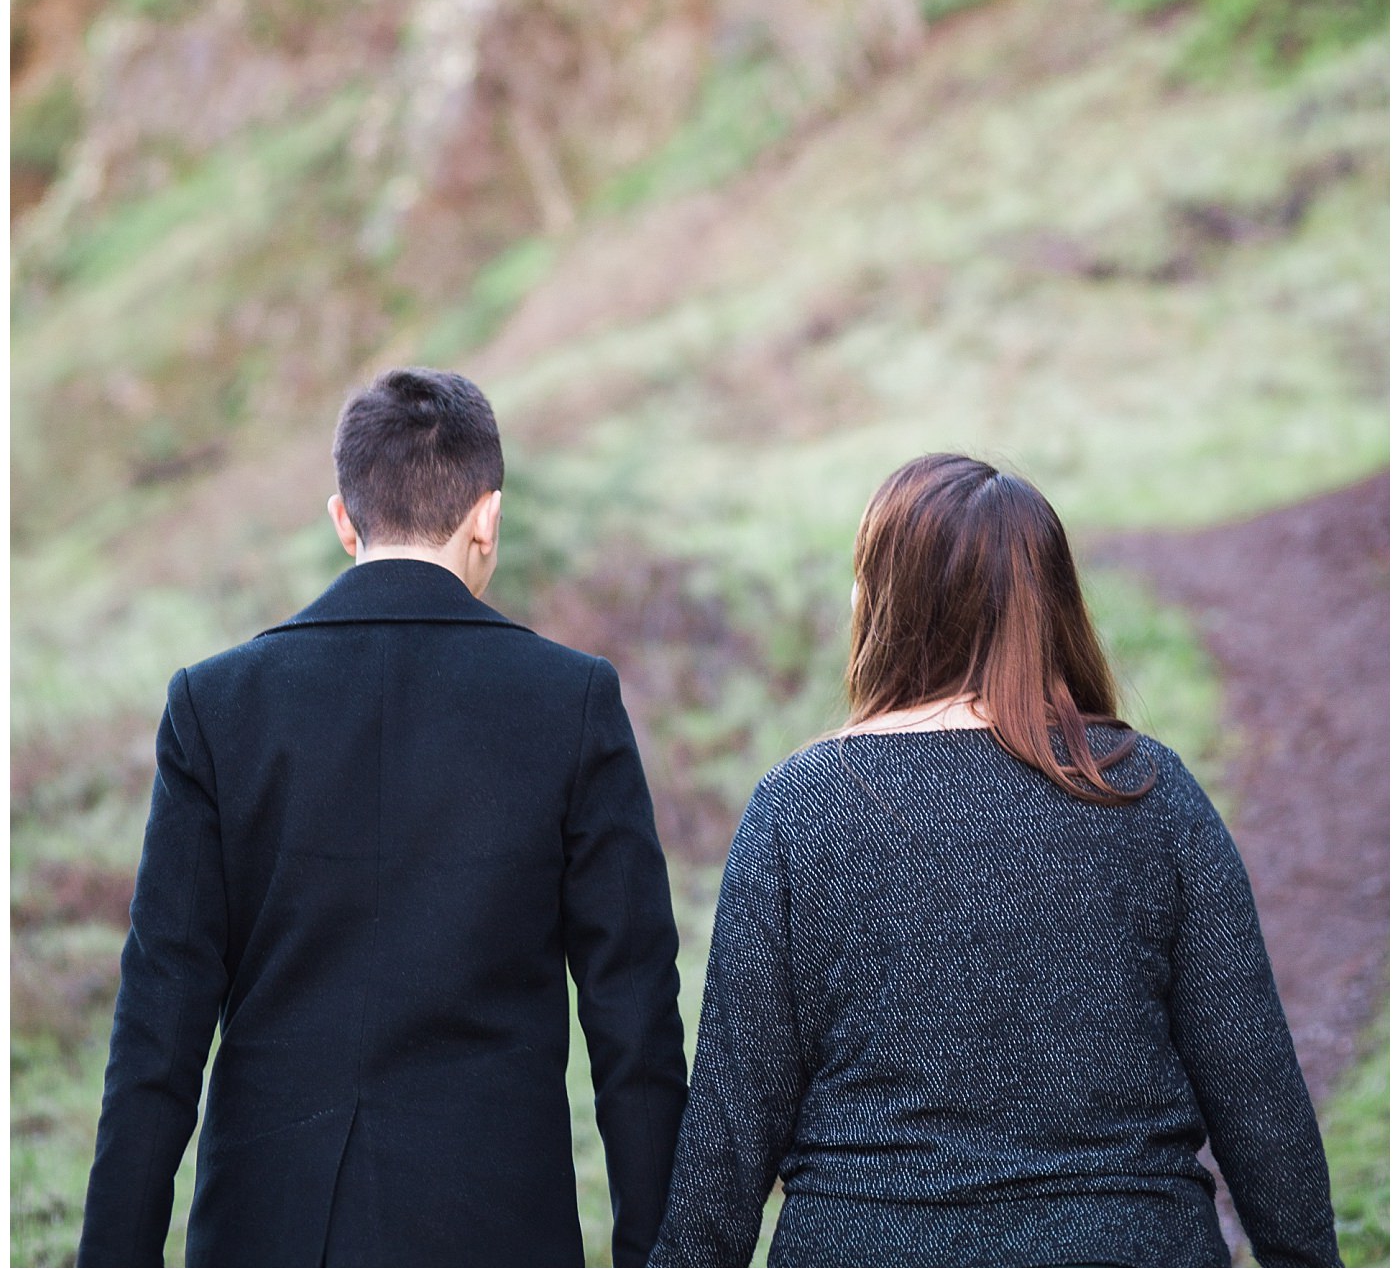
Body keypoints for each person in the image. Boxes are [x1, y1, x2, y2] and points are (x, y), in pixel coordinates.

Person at [648, 453, 1341, 1270]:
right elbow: (1257, 1093)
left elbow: (733, 1121)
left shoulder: (798, 808)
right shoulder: (1144, 792)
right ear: (1053, 604)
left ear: (883, 599)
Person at [78, 367, 687, 1268]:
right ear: (489, 515)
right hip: (494, 1227)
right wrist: (657, 1257)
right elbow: (634, 1023)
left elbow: (156, 1036)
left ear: (342, 518)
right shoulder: (572, 703)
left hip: (267, 1229)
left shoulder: (217, 705)